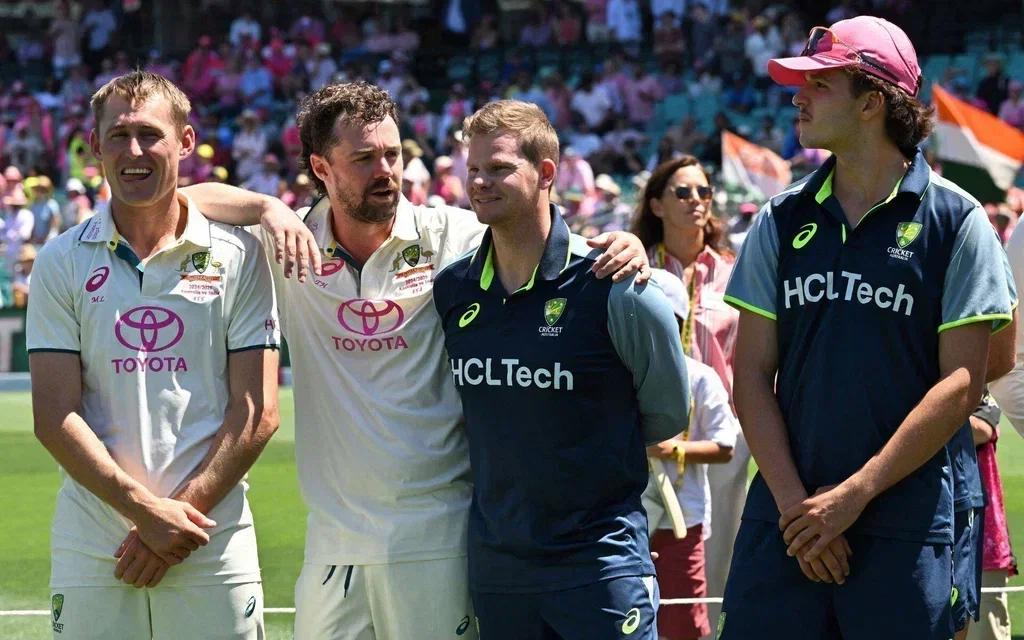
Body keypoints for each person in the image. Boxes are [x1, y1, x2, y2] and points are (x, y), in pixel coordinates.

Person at [181, 81, 651, 640]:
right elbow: (180, 200)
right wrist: (265, 207)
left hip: (436, 538)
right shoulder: (287, 243)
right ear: (321, 168)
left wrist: (627, 247)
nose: (386, 170)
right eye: (363, 158)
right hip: (332, 544)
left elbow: (544, 237)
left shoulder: (450, 235)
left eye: (393, 154)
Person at [718, 17, 1016, 640]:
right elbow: (749, 376)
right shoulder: (778, 218)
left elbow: (963, 381)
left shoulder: (957, 221)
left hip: (906, 525)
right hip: (787, 523)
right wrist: (800, 511)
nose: (797, 97)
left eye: (819, 84)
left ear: (873, 102)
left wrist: (852, 496)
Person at [26, 71, 280, 639]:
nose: (133, 151)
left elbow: (257, 410)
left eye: (149, 134)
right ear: (94, 146)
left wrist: (176, 519)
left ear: (185, 142)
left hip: (211, 534)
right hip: (94, 541)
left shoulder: (239, 255)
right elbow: (53, 414)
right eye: (117, 135)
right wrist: (145, 513)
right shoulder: (61, 260)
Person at [433, 99, 688, 640]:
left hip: (600, 566)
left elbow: (667, 414)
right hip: (499, 570)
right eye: (472, 168)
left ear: (546, 173)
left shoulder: (618, 285)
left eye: (499, 167)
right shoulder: (453, 288)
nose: (479, 181)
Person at [630, 155, 748, 631]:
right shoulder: (633, 268)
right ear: (657, 204)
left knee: (715, 554)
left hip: (718, 430)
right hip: (644, 436)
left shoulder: (735, 272)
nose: (696, 201)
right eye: (683, 192)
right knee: (646, 555)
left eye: (703, 192)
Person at [642, 269, 739, 640]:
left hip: (681, 518)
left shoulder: (699, 377)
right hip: (622, 517)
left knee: (681, 622)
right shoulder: (617, 374)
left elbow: (725, 445)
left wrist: (672, 449)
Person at [965, 392, 1016, 640]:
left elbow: (981, 429)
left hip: (984, 542)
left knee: (985, 631)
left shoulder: (981, 396)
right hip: (928, 537)